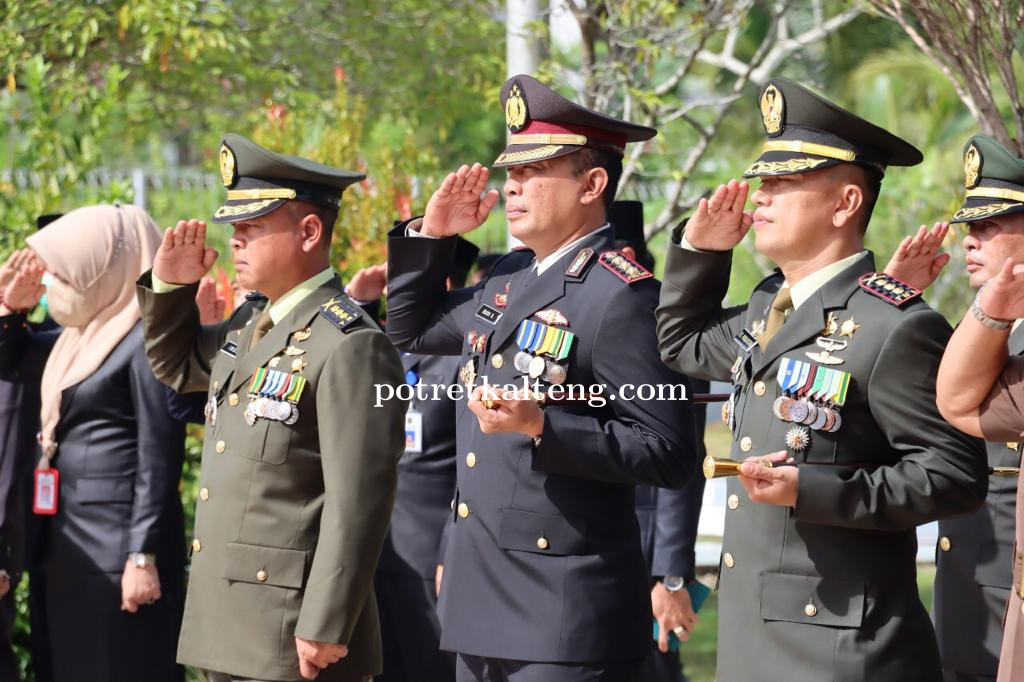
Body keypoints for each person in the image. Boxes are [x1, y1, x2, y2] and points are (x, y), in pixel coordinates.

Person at [655, 77, 987, 682]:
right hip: (755, 642)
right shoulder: (766, 309)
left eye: (784, 184)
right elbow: (681, 346)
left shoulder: (894, 326)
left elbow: (954, 477)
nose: (761, 199)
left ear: (844, 204)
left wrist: (812, 489)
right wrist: (699, 253)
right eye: (763, 183)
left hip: (841, 652)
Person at [386, 74, 698, 682]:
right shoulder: (507, 280)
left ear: (592, 184)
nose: (513, 185)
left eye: (535, 172)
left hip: (563, 612)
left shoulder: (622, 296)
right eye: (511, 172)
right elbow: (412, 330)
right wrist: (433, 236)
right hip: (479, 600)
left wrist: (542, 426)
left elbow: (668, 453)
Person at [136, 133, 407, 682]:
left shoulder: (350, 343)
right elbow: (178, 365)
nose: (235, 243)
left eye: (251, 229)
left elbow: (360, 503)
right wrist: (171, 286)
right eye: (234, 230)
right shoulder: (250, 325)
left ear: (309, 232)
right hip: (232, 624)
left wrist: (328, 623)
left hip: (293, 634)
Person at [0, 204, 187, 682]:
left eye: (66, 276)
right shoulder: (77, 340)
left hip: (116, 560)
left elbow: (158, 455)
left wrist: (142, 556)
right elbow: (11, 364)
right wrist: (12, 312)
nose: (53, 287)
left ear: (105, 271)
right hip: (62, 549)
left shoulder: (144, 341)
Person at [346, 237, 478, 682]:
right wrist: (357, 303)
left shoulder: (464, 362)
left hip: (429, 559)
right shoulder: (391, 349)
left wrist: (450, 551)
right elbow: (349, 361)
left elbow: (472, 468)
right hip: (376, 553)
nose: (391, 292)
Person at [934, 136, 1024, 682]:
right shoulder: (989, 333)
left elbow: (959, 404)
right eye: (970, 228)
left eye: (990, 226)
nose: (972, 241)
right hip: (975, 571)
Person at [609, 200, 707, 682]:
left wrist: (669, 575)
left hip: (644, 552)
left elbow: (680, 459)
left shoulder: (654, 326)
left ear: (624, 253)